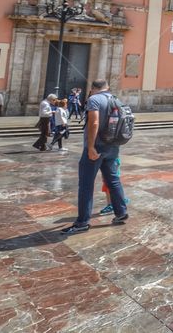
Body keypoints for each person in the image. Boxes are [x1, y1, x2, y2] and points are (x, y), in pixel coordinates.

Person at [61, 79, 129, 235]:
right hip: (112, 146)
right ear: (107, 88)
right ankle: (121, 212)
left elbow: (94, 122)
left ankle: (82, 222)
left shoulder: (94, 99)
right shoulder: (116, 99)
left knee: (86, 183)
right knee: (113, 180)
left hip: (96, 147)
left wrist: (91, 147)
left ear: (92, 89)